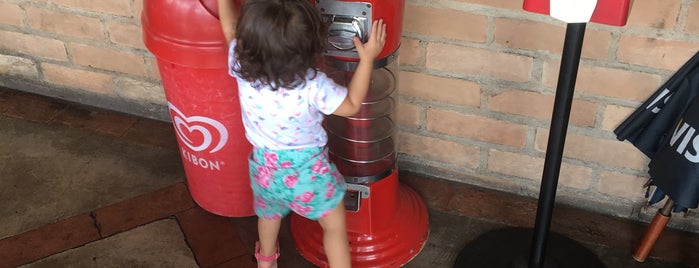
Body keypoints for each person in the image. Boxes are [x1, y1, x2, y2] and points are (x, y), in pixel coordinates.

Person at [217, 0, 386, 267]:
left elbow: (228, 25)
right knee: (333, 228)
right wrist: (366, 59)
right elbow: (352, 105)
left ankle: (265, 262)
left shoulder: (241, 63)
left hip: (265, 168)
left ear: (248, 39)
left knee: (269, 216)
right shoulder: (313, 85)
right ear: (310, 46)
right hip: (309, 173)